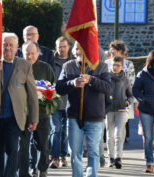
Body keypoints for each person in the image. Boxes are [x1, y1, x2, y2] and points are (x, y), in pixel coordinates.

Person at [0, 32, 39, 177]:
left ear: (17, 47)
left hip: (14, 116)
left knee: (12, 149)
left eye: (11, 45)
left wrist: (34, 118)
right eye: (5, 44)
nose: (8, 48)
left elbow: (32, 94)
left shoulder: (25, 65)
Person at [56, 42, 111, 177]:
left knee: (93, 152)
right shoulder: (68, 66)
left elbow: (108, 88)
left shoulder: (102, 66)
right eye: (76, 49)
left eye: (82, 49)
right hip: (74, 116)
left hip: (95, 116)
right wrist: (72, 83)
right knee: (75, 152)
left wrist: (92, 80)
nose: (78, 52)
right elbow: (59, 88)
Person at [18, 41, 55, 177]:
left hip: (42, 115)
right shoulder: (18, 67)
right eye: (27, 53)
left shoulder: (46, 68)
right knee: (22, 145)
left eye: (33, 53)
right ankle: (23, 172)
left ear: (38, 53)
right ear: (22, 53)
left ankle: (42, 169)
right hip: (22, 115)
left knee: (43, 145)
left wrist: (46, 97)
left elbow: (53, 88)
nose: (30, 56)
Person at [105, 56, 133, 169]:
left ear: (122, 67)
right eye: (113, 65)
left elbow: (130, 95)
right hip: (109, 110)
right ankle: (110, 158)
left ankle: (118, 158)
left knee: (119, 135)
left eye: (118, 65)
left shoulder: (125, 79)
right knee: (110, 135)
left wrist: (127, 102)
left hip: (121, 109)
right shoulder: (106, 78)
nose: (115, 67)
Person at [49, 36, 72, 169]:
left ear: (68, 47)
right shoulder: (51, 61)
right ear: (55, 47)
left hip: (69, 101)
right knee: (56, 130)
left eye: (64, 46)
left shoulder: (74, 61)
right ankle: (55, 157)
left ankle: (63, 155)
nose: (62, 49)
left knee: (65, 131)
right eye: (59, 47)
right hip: (54, 101)